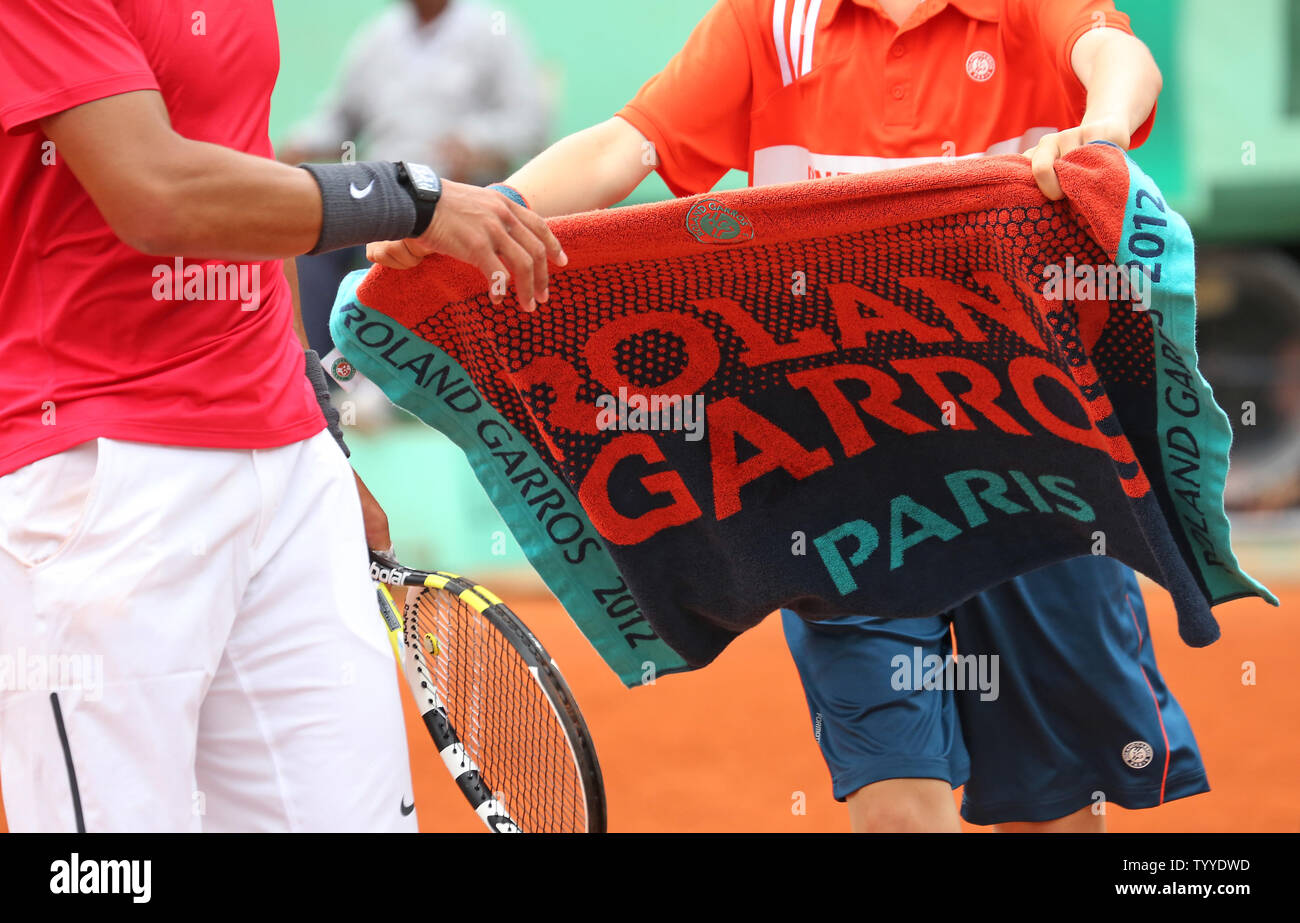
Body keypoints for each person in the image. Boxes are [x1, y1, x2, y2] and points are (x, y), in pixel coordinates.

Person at [369, 0, 1208, 832]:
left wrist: (1097, 127)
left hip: (1032, 475)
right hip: (842, 493)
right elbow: (625, 145)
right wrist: (485, 214)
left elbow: (1118, 58)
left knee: (1054, 814)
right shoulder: (766, 21)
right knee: (897, 812)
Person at [0, 0, 561, 832]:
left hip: (285, 460)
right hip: (102, 468)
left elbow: (243, 191)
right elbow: (157, 195)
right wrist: (411, 197)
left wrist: (318, 429)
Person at [280, 0, 550, 358]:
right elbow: (340, 119)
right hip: (380, 190)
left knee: (401, 247)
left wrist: (473, 142)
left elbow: (529, 122)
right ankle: (316, 371)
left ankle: (379, 376)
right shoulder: (378, 37)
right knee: (310, 237)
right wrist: (301, 145)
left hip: (451, 191)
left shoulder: (491, 30)